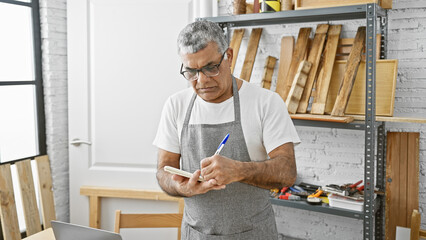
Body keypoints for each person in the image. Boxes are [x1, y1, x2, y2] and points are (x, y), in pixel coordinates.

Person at [153, 20, 300, 239]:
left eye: (211, 68)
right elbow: (164, 170)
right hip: (196, 234)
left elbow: (287, 172)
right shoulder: (176, 105)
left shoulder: (266, 103)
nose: (202, 80)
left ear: (228, 56)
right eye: (192, 71)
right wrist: (183, 188)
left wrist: (239, 170)